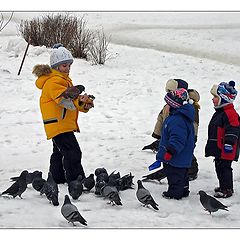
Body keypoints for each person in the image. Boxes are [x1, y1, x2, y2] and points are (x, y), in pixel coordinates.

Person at [33, 44, 94, 184]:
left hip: (59, 124)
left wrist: (84, 104)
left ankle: (57, 178)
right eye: (64, 66)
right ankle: (76, 181)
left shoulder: (63, 80)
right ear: (56, 67)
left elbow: (70, 101)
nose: (67, 69)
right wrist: (79, 100)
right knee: (72, 152)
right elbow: (63, 101)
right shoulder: (53, 81)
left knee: (59, 153)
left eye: (69, 66)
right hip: (58, 124)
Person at [142, 79, 200, 180]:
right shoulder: (169, 104)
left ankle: (191, 170)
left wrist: (193, 137)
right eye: (168, 92)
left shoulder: (188, 108)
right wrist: (158, 133)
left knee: (185, 153)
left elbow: (193, 124)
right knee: (172, 152)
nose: (169, 94)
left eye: (171, 92)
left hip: (183, 136)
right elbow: (161, 117)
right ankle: (173, 168)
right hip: (169, 132)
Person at [152, 88, 195, 200]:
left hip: (175, 157)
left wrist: (170, 152)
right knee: (182, 175)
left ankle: (174, 194)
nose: (167, 106)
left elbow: (177, 139)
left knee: (174, 176)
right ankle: (184, 189)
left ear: (174, 105)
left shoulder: (177, 120)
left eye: (168, 104)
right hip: (182, 157)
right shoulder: (180, 117)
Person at [205, 81, 239, 198]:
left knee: (224, 168)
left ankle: (227, 189)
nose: (213, 99)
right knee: (220, 167)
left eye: (215, 97)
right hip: (220, 148)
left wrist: (229, 143)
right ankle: (223, 186)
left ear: (223, 98)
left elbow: (233, 129)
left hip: (226, 148)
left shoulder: (230, 113)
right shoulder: (221, 112)